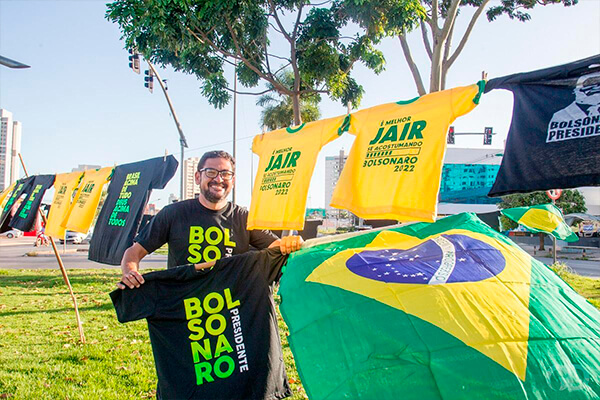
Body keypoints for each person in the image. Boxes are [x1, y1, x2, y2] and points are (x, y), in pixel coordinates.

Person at [118, 150, 302, 289]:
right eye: (211, 172)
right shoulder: (173, 214)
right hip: (186, 308)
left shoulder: (244, 218)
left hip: (231, 309)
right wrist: (130, 272)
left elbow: (277, 248)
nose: (219, 179)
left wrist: (292, 243)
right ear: (198, 177)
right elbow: (134, 253)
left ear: (233, 180)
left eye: (226, 174)